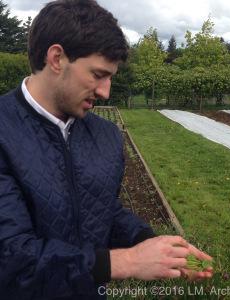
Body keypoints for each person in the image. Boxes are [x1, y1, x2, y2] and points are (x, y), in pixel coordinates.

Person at [0, 0, 213, 299]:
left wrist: (156, 247)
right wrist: (127, 261)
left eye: (110, 77)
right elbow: (12, 258)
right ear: (57, 58)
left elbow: (101, 209)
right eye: (98, 75)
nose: (105, 91)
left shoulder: (106, 136)